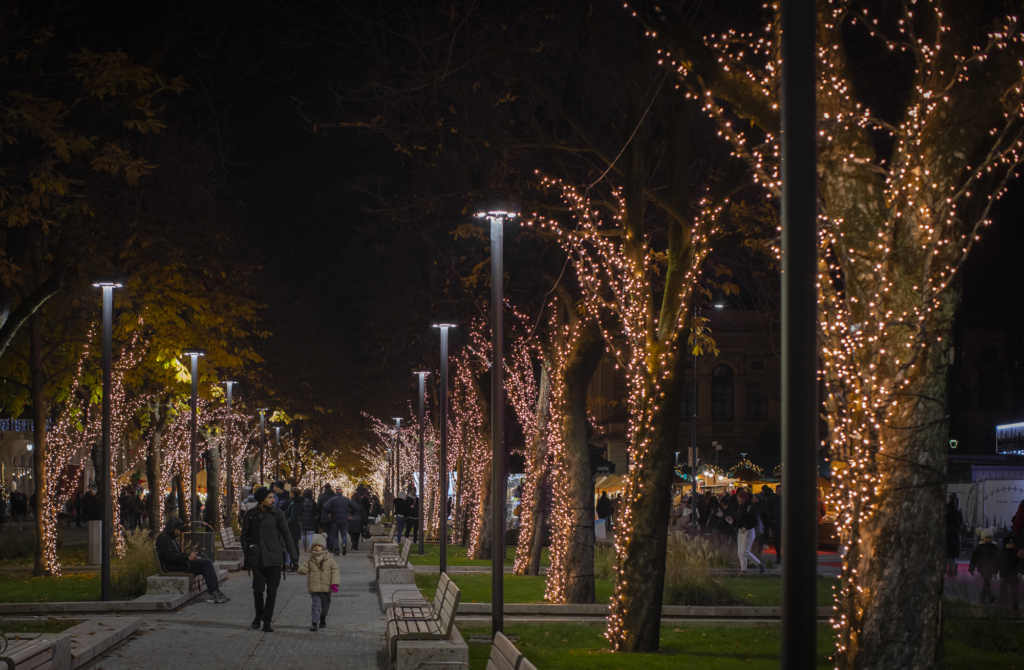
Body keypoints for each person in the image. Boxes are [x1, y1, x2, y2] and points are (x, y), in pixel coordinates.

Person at [241, 487, 299, 632]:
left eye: (273, 497)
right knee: (258, 591)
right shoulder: (250, 515)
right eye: (269, 498)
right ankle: (258, 616)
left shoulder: (277, 514)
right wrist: (247, 554)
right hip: (258, 559)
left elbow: (287, 536)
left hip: (274, 559)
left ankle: (267, 621)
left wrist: (294, 558)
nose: (273, 500)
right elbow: (244, 537)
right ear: (261, 500)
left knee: (272, 593)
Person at [156, 516, 229, 603]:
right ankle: (214, 592)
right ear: (173, 528)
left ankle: (215, 591)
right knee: (207, 563)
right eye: (178, 529)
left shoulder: (170, 538)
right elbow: (169, 556)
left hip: (179, 564)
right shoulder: (164, 538)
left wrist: (190, 555)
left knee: (206, 561)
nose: (179, 532)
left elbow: (177, 555)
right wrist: (187, 557)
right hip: (173, 566)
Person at [296, 533, 340, 632]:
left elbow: (335, 571)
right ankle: (314, 622)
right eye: (315, 546)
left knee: (325, 606)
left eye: (319, 546)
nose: (316, 548)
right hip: (314, 586)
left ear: (323, 547)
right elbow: (304, 570)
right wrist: (297, 567)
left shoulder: (330, 560)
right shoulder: (310, 560)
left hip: (326, 587)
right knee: (316, 604)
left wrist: (334, 584)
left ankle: (323, 618)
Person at [735, 491, 765, 574]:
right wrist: (734, 523)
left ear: (743, 498)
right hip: (741, 531)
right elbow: (739, 521)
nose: (737, 499)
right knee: (740, 552)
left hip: (748, 531)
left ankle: (759, 564)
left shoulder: (749, 507)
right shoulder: (740, 507)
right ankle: (743, 569)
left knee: (744, 551)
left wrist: (746, 527)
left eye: (738, 497)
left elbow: (754, 521)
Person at [968, 527, 999, 604]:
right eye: (987, 537)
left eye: (990, 538)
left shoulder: (995, 547)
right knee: (987, 581)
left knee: (987, 581)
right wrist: (972, 567)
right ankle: (989, 595)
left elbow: (998, 557)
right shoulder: (979, 547)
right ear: (982, 538)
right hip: (983, 567)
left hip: (991, 567)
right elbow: (974, 557)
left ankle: (983, 596)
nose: (989, 539)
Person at [997, 533, 1022, 610]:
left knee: (1014, 590)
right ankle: (1003, 602)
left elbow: (1020, 563)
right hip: (1004, 574)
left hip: (1014, 574)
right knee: (1003, 589)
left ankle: (1014, 603)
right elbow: (997, 561)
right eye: (1009, 544)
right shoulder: (1002, 552)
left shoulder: (1017, 553)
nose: (1011, 545)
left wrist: (1020, 571)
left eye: (1012, 544)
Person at [761, 485, 783, 567]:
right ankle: (779, 557)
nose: (780, 492)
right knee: (777, 539)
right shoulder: (772, 499)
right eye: (779, 490)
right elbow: (767, 509)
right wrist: (772, 518)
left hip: (783, 521)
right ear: (776, 490)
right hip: (776, 521)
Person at [947, 492, 964, 577]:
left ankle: (951, 568)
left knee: (948, 553)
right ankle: (951, 569)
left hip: (948, 532)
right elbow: (961, 522)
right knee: (952, 553)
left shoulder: (948, 507)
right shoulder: (958, 509)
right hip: (956, 533)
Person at [285, 491, 302, 568]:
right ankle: (294, 562)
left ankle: (294, 562)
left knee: (294, 545)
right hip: (294, 526)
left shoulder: (294, 504)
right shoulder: (294, 503)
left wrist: (287, 523)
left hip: (293, 527)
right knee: (294, 545)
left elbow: (293, 516)